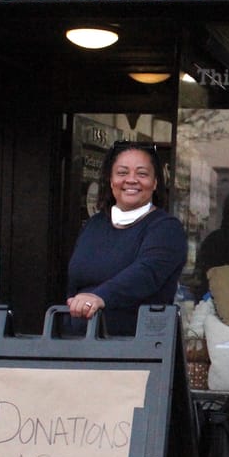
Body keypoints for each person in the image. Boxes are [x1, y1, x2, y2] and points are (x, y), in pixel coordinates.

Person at [66, 141, 186, 336]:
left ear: (155, 182)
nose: (131, 180)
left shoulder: (167, 228)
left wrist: (99, 297)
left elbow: (146, 274)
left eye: (142, 174)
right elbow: (74, 283)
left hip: (137, 344)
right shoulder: (93, 225)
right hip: (81, 341)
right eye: (122, 173)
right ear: (111, 180)